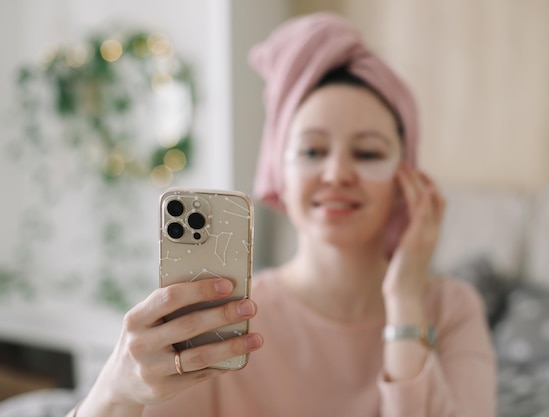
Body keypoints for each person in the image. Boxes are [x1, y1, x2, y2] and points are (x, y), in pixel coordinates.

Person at [68, 12, 496, 417]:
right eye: (311, 150)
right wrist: (115, 392)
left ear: (407, 179)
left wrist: (406, 302)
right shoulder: (226, 315)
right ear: (279, 170)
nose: (336, 174)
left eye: (367, 152)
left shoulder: (451, 308)